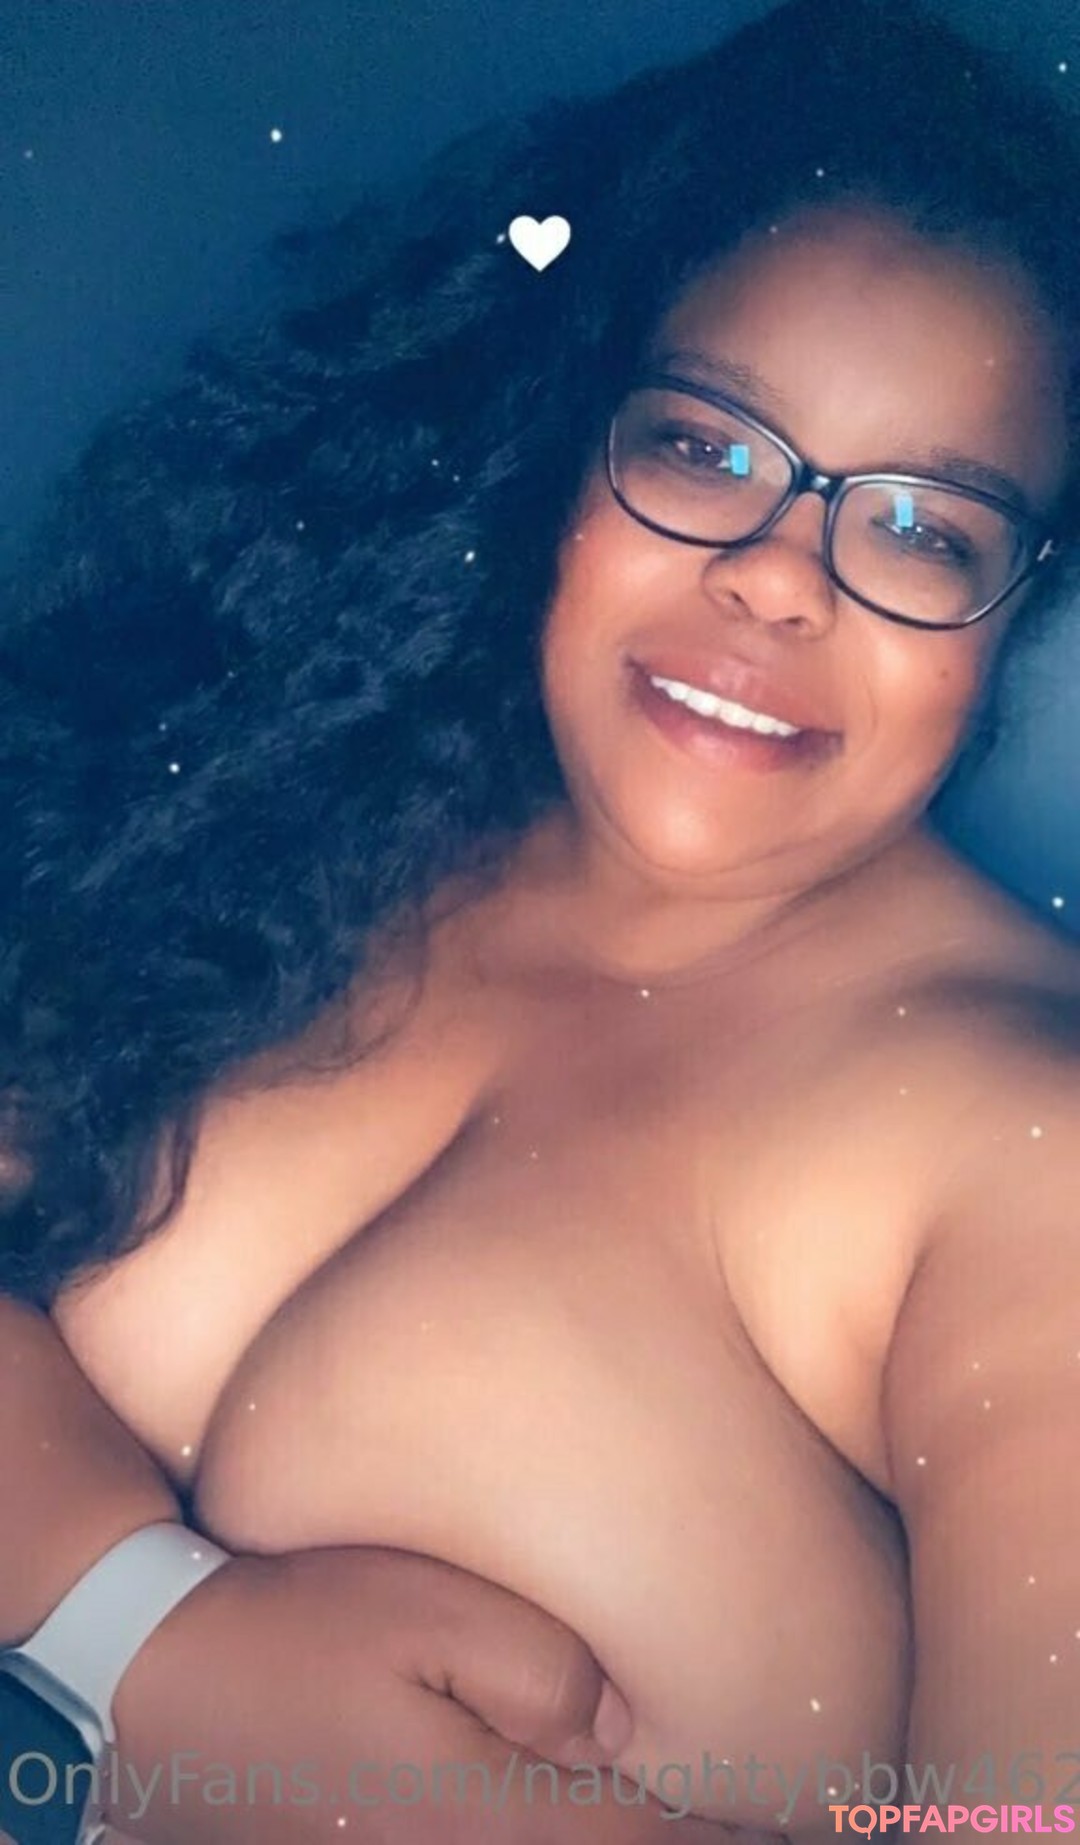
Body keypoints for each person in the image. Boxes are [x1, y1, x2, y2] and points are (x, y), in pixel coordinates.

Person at [2, 0, 1080, 1837]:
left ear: (1011, 617)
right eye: (708, 447)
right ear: (567, 454)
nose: (777, 580)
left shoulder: (1023, 1147)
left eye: (921, 530)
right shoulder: (288, 832)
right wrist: (141, 1629)